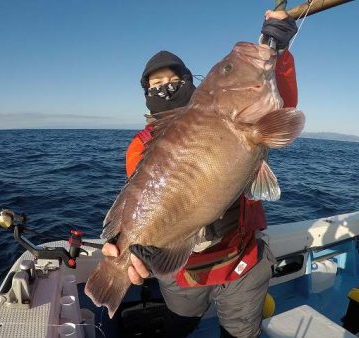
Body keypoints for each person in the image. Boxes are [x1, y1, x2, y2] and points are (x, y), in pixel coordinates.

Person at [102, 10, 298, 338]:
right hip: (183, 277)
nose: (166, 90)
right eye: (156, 85)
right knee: (178, 327)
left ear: (194, 84)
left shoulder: (235, 115)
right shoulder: (140, 145)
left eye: (174, 82)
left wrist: (278, 51)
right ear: (147, 96)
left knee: (240, 333)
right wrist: (128, 245)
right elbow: (142, 194)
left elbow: (282, 107)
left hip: (242, 264)